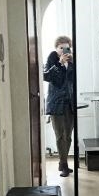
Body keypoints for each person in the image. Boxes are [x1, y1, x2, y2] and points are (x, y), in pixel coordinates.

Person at [43, 35, 75, 177]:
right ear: (56, 48)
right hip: (56, 103)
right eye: (61, 48)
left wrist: (71, 63)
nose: (63, 50)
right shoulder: (52, 59)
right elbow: (46, 76)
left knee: (68, 136)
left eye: (66, 48)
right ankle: (64, 164)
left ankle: (63, 162)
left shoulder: (72, 60)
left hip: (69, 103)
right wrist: (59, 64)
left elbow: (73, 81)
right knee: (60, 136)